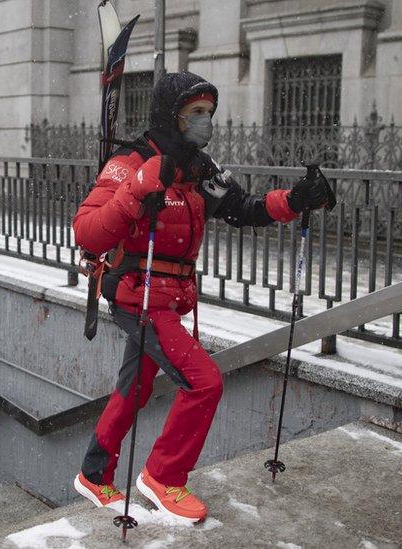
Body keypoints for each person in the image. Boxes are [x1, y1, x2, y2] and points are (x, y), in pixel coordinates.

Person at [71, 71, 331, 523]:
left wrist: (295, 199)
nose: (204, 122)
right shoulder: (130, 160)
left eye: (209, 113)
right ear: (170, 115)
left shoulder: (199, 167)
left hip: (171, 298)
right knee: (205, 381)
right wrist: (136, 190)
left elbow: (244, 208)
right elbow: (86, 232)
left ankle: (94, 474)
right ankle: (162, 475)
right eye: (195, 113)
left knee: (136, 386)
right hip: (139, 295)